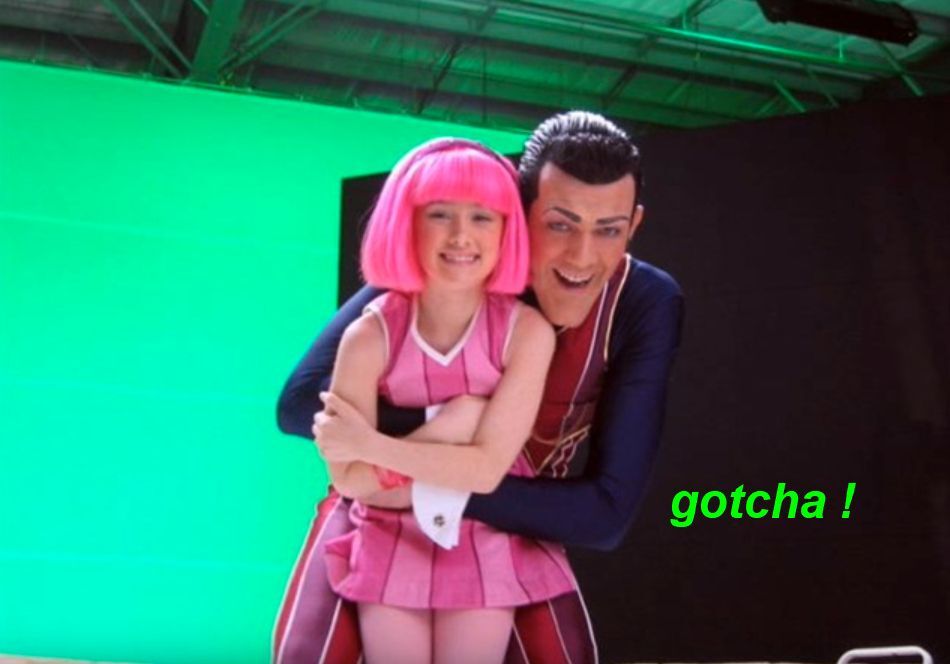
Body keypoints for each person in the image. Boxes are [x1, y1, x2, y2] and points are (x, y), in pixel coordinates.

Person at [273, 111, 684, 664]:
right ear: (519, 212)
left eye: (608, 229)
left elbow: (606, 513)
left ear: (632, 226)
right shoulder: (451, 265)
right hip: (384, 500)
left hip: (504, 514)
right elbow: (301, 403)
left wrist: (460, 453)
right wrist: (450, 436)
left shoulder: (643, 301)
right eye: (559, 224)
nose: (582, 257)